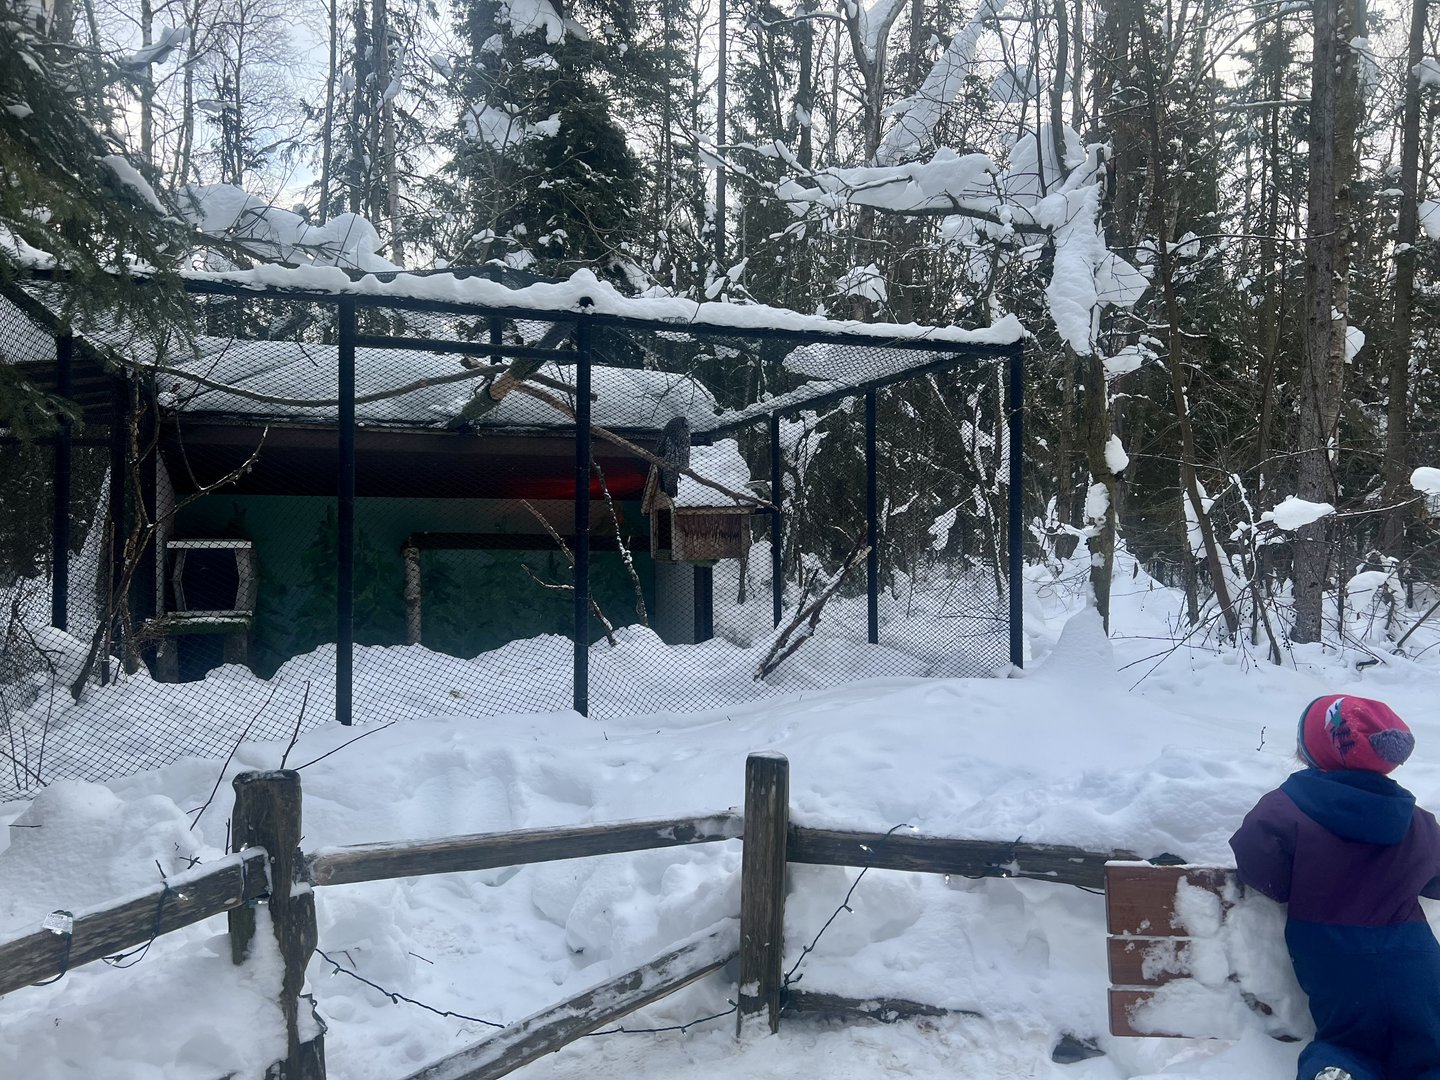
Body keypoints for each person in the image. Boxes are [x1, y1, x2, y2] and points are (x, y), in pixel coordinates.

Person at [1231, 694, 1440, 1080]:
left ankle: (1336, 1069)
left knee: (1348, 1039)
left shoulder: (1285, 809)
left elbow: (1261, 869)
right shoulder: (1416, 820)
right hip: (1412, 951)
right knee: (1429, 1043)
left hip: (1332, 949)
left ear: (1312, 751)